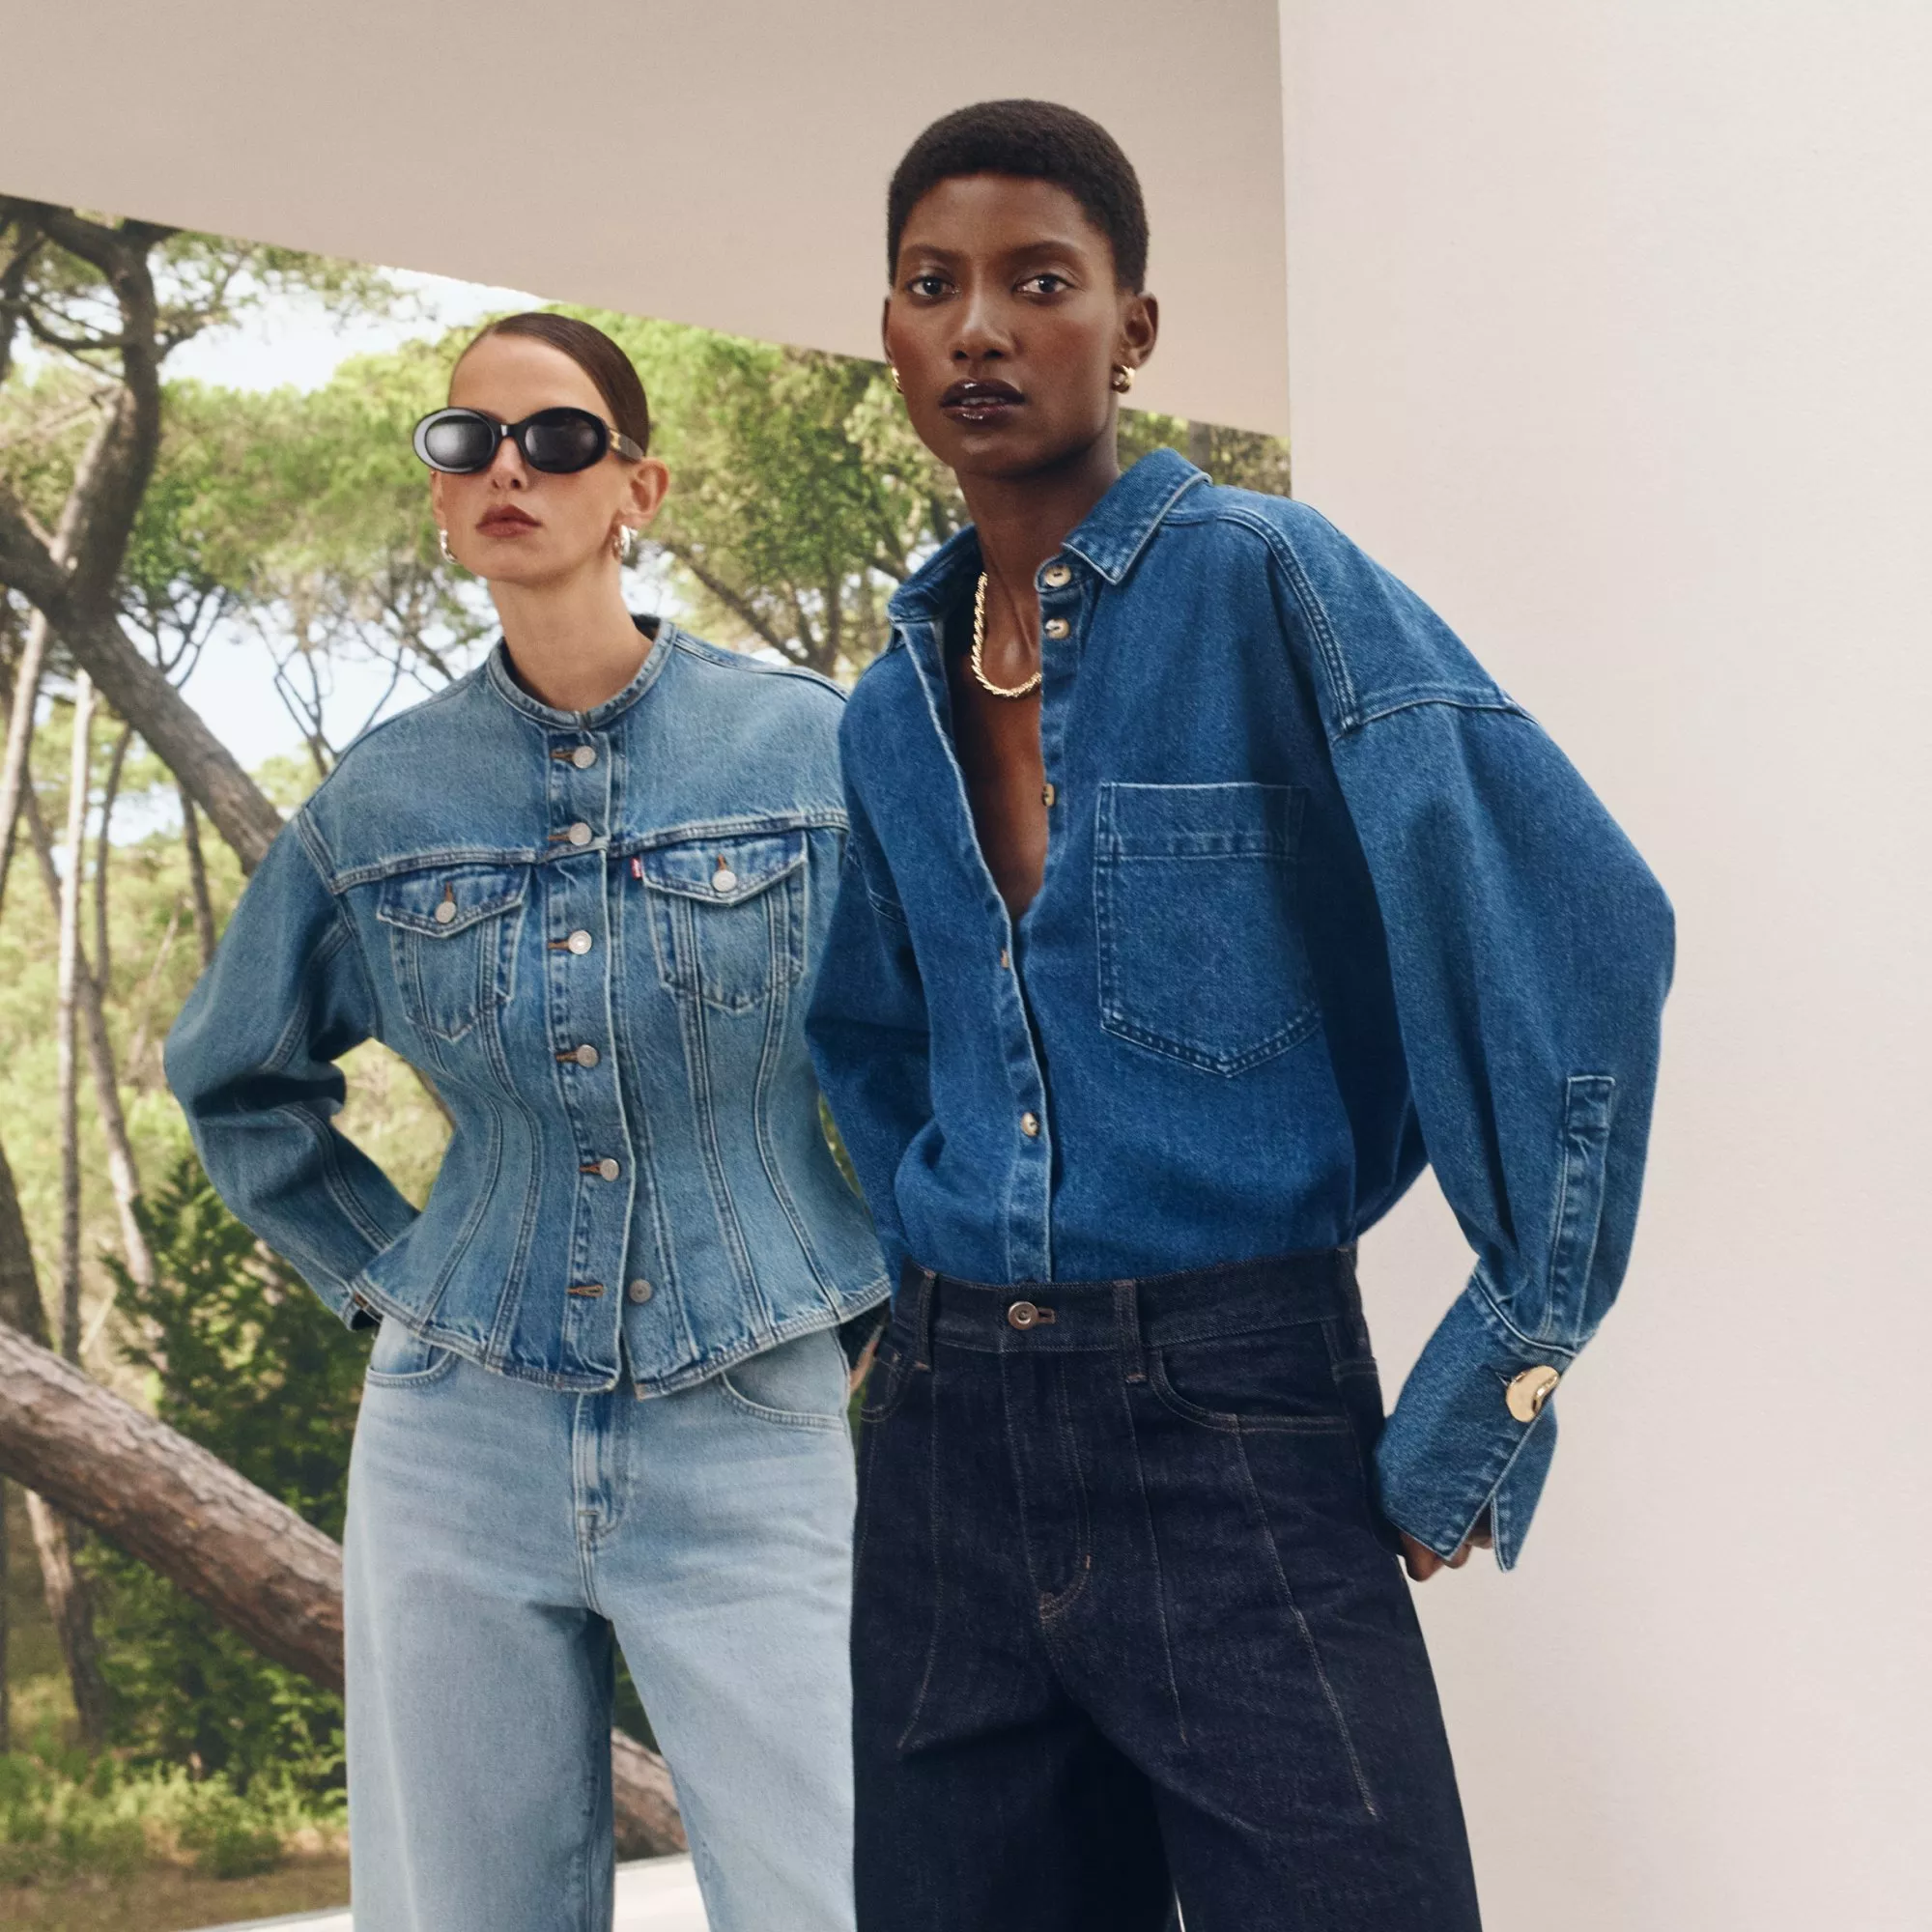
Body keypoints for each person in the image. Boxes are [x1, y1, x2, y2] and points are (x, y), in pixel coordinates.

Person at [807, 100, 1673, 1930]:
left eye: (1041, 282)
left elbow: (1583, 926)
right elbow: (873, 1042)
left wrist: (1492, 1378)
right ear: (887, 330)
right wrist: (906, 1318)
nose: (980, 327)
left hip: (1233, 1419)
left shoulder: (1275, 584)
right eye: (932, 286)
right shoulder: (886, 710)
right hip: (947, 1468)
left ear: (1131, 326)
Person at [166, 312, 887, 1932]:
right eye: (467, 441)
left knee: (839, 1891)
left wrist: (876, 1295)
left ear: (639, 487)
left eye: (556, 439)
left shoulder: (807, 747)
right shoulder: (382, 798)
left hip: (752, 1410)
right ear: (438, 495)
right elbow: (233, 1073)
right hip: (455, 1437)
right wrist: (387, 1286)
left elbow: (949, 1042)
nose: (510, 468)